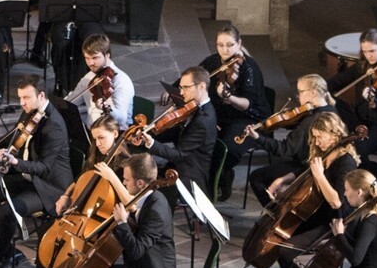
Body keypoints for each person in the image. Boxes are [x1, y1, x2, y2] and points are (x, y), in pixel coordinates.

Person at [0, 76, 72, 268]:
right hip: (27, 178)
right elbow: (12, 136)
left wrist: (16, 162)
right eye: (20, 98)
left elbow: (44, 168)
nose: (22, 103)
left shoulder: (54, 126)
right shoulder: (31, 112)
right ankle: (6, 251)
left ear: (42, 95)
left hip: (48, 188)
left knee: (7, 212)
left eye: (26, 98)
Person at [261, 111, 360, 268]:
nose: (316, 142)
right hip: (319, 212)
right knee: (278, 237)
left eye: (320, 136)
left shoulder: (346, 162)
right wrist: (283, 181)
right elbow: (305, 171)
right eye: (314, 137)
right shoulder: (326, 153)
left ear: (334, 134)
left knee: (285, 249)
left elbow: (337, 202)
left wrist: (320, 176)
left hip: (334, 220)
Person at [240, 74, 337, 209]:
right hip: (313, 161)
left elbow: (284, 149)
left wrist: (258, 137)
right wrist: (285, 121)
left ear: (313, 93)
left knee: (257, 177)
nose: (298, 96)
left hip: (304, 166)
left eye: (301, 92)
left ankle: (275, 213)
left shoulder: (311, 121)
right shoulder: (331, 110)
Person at [202, 26, 271, 201]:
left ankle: (222, 175)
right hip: (225, 116)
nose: (224, 50)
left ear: (239, 43)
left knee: (227, 148)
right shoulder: (214, 61)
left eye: (230, 45)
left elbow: (246, 105)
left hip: (250, 119)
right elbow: (198, 75)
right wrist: (177, 86)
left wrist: (229, 97)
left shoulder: (249, 68)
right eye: (220, 45)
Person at [325, 28, 377, 159]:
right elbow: (337, 81)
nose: (369, 56)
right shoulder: (363, 66)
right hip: (361, 120)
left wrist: (371, 98)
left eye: (372, 51)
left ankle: (369, 171)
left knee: (354, 148)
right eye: (365, 52)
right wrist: (319, 88)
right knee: (331, 103)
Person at [138, 67, 219, 197]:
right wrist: (153, 131)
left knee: (145, 183)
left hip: (189, 173)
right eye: (181, 87)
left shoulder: (204, 119)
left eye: (186, 87)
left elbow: (179, 154)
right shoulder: (196, 107)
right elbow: (179, 132)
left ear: (202, 86)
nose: (181, 93)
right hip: (182, 163)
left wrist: (152, 143)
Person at [62, 33, 133, 129]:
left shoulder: (121, 80)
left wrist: (108, 108)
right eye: (87, 58)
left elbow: (122, 119)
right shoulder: (89, 77)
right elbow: (71, 102)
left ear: (107, 55)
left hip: (114, 135)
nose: (90, 63)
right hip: (91, 131)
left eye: (95, 58)